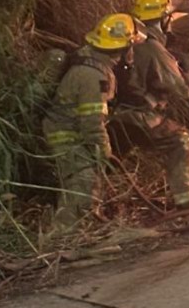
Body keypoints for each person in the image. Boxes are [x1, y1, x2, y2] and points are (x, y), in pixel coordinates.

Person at [42, 13, 140, 229]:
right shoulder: (95, 77)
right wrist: (104, 151)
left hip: (68, 129)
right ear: (123, 48)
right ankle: (62, 238)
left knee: (88, 181)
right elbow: (92, 122)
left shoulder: (90, 61)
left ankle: (82, 230)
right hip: (65, 134)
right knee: (83, 182)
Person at [114, 0, 189, 211]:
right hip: (136, 116)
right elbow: (184, 90)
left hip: (113, 115)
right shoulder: (152, 49)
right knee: (178, 139)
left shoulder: (132, 39)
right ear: (164, 19)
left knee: (110, 157)